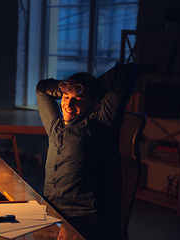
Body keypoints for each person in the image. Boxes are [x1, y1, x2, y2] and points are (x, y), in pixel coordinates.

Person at [36, 62, 138, 239]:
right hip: (50, 211)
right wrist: (65, 87)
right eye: (66, 97)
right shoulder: (55, 126)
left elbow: (128, 71)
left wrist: (94, 86)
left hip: (79, 219)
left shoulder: (99, 123)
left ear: (92, 103)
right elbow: (41, 89)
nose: (69, 103)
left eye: (78, 98)